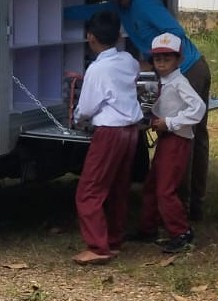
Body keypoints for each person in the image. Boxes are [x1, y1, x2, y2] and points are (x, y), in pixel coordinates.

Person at [64, 0, 212, 221]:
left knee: (185, 138)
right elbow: (88, 11)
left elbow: (176, 32)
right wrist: (59, 13)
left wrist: (158, 61)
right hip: (169, 71)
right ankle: (182, 206)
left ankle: (184, 209)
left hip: (188, 69)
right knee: (183, 139)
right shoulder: (117, 8)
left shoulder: (146, 5)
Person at [71, 10, 144, 265]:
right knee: (118, 187)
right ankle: (114, 239)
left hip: (109, 132)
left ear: (90, 37)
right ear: (118, 35)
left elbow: (86, 108)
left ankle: (97, 247)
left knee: (89, 191)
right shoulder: (128, 60)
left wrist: (77, 119)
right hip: (131, 131)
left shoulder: (97, 69)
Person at [133, 32, 205, 253]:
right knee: (152, 184)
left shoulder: (179, 83)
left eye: (167, 58)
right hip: (165, 138)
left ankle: (181, 232)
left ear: (178, 60)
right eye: (158, 58)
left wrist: (171, 122)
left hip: (177, 140)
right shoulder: (159, 81)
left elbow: (199, 108)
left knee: (165, 189)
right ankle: (148, 227)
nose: (162, 63)